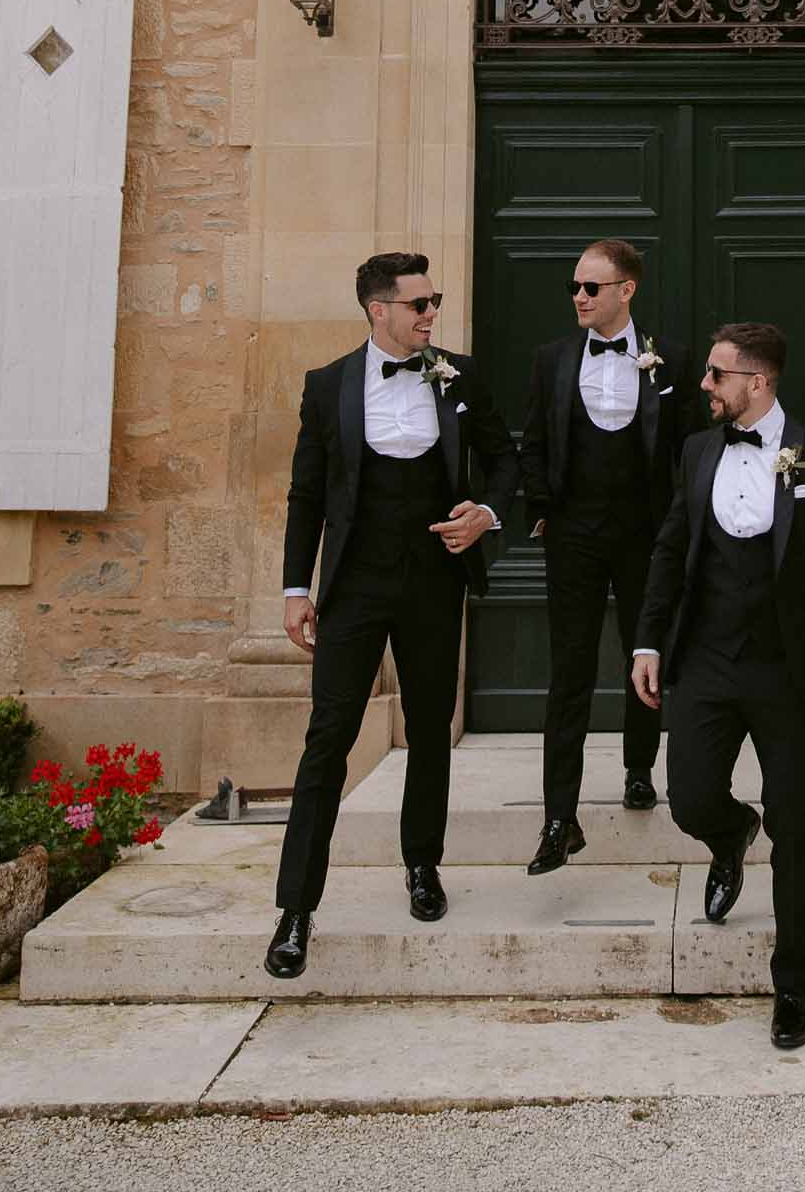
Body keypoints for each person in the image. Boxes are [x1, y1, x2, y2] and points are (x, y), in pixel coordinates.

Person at [264, 252, 519, 980]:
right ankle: (295, 911)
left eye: (433, 301)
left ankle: (422, 866)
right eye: (419, 304)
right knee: (327, 740)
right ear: (379, 309)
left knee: (432, 729)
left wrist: (488, 513)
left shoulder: (460, 375)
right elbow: (305, 494)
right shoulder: (328, 386)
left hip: (434, 580)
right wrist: (293, 589)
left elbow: (506, 463)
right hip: (354, 586)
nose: (431, 313)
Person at [632, 322, 805, 1050]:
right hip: (706, 658)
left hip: (789, 668)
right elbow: (672, 548)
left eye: (714, 374)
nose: (703, 385)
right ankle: (732, 832)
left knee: (796, 826)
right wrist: (647, 637)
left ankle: (792, 986)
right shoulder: (697, 451)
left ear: (756, 382)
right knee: (690, 797)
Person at [520, 239, 698, 874]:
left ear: (626, 291)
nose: (579, 297)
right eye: (575, 286)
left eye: (591, 287)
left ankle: (639, 769)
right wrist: (544, 506)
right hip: (575, 538)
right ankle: (558, 817)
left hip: (647, 537)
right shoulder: (553, 359)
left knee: (641, 657)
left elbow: (687, 451)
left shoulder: (670, 359)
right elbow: (534, 440)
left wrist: (678, 528)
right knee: (568, 672)